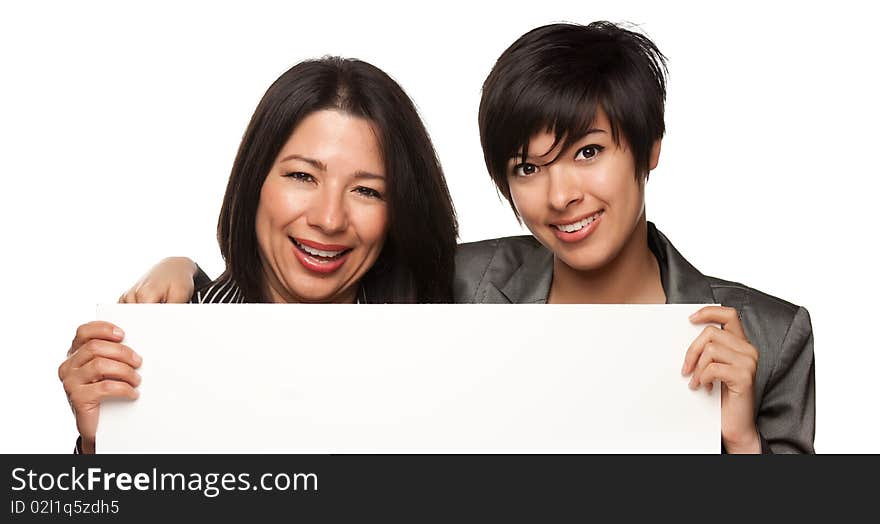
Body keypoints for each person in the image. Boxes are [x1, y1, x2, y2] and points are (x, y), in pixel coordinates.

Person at [119, 22, 816, 453]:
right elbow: (299, 311)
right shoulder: (445, 285)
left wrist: (742, 446)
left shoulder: (769, 336)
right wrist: (191, 289)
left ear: (648, 149)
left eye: (587, 152)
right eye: (527, 167)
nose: (562, 193)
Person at [58, 56, 458, 453]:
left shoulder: (445, 348)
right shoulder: (158, 343)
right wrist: (103, 447)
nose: (330, 218)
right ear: (256, 182)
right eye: (303, 176)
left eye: (367, 191)